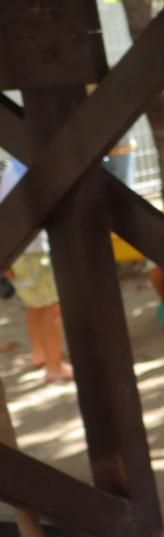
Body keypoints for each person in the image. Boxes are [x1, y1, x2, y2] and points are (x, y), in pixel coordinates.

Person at [0, 157, 71, 383]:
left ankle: (40, 353)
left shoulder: (12, 170)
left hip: (18, 250)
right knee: (52, 306)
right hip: (33, 251)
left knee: (35, 305)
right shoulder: (25, 169)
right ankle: (55, 366)